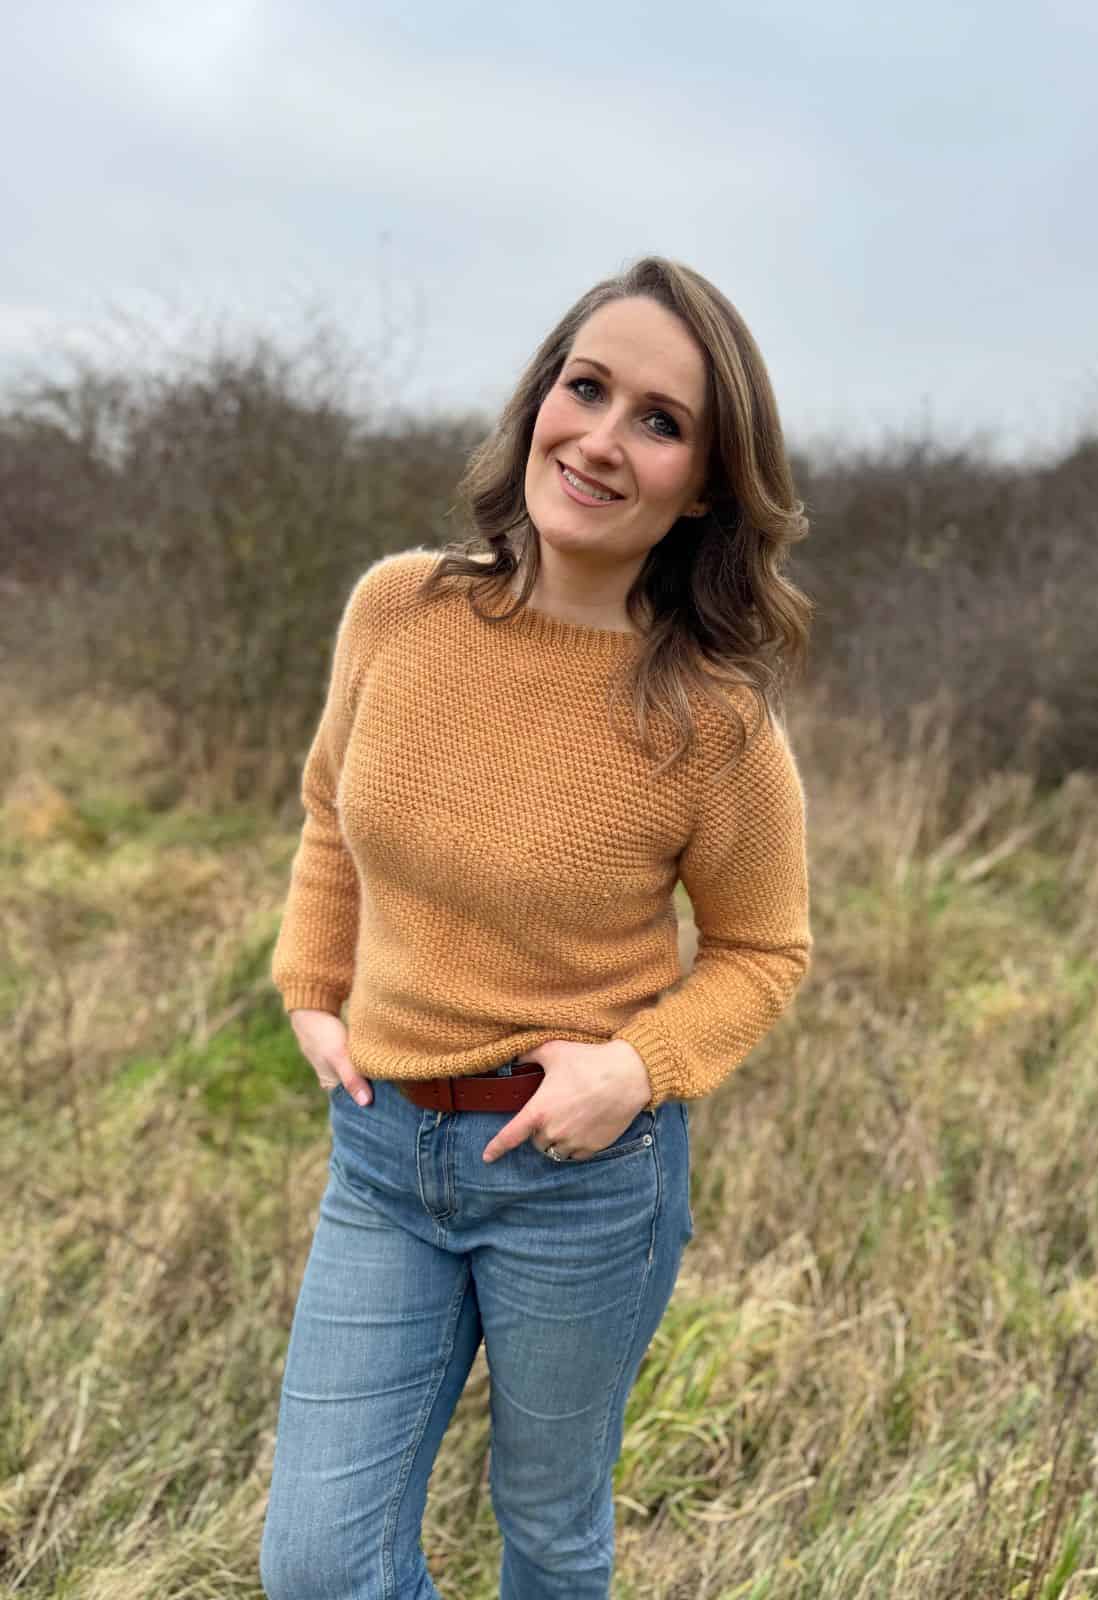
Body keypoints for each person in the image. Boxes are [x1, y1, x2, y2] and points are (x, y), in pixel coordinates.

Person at [259, 255, 814, 1600]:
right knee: (319, 1565)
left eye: (660, 421)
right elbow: (332, 808)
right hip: (384, 1155)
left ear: (705, 484)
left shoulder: (710, 721)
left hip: (580, 1182)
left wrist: (630, 1070)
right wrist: (312, 977)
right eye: (588, 387)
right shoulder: (401, 607)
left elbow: (763, 952)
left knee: (551, 1539)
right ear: (538, 400)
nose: (603, 440)